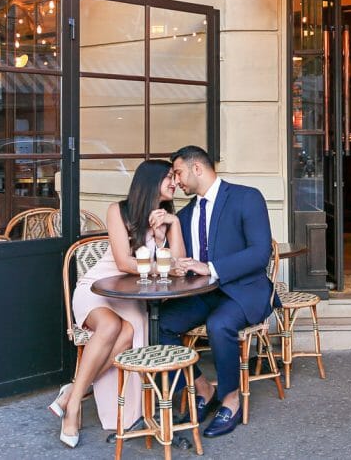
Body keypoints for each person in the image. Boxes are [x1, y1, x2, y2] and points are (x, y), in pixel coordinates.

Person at [49, 159, 186, 448]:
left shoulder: (168, 215)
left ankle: (75, 393)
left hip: (131, 296)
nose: (174, 183)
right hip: (99, 290)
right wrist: (163, 265)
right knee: (111, 327)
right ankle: (73, 409)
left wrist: (173, 225)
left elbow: (180, 262)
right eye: (168, 178)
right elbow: (124, 262)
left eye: (174, 177)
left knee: (130, 334)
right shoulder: (118, 211)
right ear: (150, 182)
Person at [160, 145, 273, 438]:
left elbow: (260, 253)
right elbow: (181, 260)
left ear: (197, 168)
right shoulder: (183, 216)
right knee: (160, 325)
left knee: (219, 324)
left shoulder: (247, 197)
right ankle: (204, 389)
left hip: (245, 290)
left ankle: (231, 399)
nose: (176, 181)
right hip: (203, 294)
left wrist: (210, 267)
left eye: (179, 172)